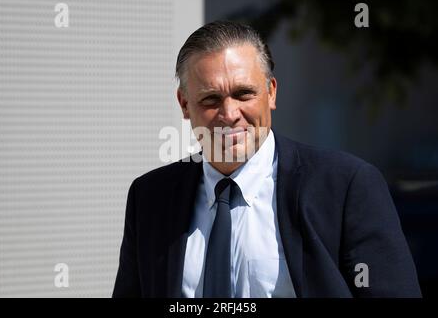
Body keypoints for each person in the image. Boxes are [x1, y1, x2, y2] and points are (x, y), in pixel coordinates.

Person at [112, 21, 421, 298]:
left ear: (271, 93)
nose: (230, 114)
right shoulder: (150, 197)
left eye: (244, 94)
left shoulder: (346, 186)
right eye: (210, 99)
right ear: (184, 104)